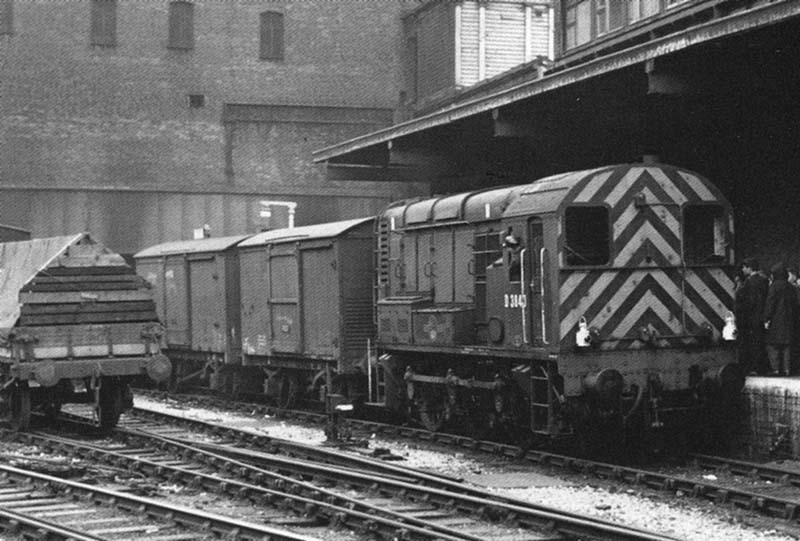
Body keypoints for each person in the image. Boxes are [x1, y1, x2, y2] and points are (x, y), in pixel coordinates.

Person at [763, 262, 799, 376]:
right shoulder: (792, 288)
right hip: (789, 320)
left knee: (773, 345)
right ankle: (787, 369)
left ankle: (776, 369)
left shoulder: (774, 287)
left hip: (776, 321)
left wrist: (766, 318)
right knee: (787, 346)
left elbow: (770, 304)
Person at [736, 257, 769, 375]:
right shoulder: (764, 281)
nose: (743, 270)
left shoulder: (750, 282)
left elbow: (749, 302)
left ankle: (755, 368)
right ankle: (762, 367)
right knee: (761, 342)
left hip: (752, 318)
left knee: (753, 343)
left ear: (749, 268)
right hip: (762, 317)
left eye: (744, 267)